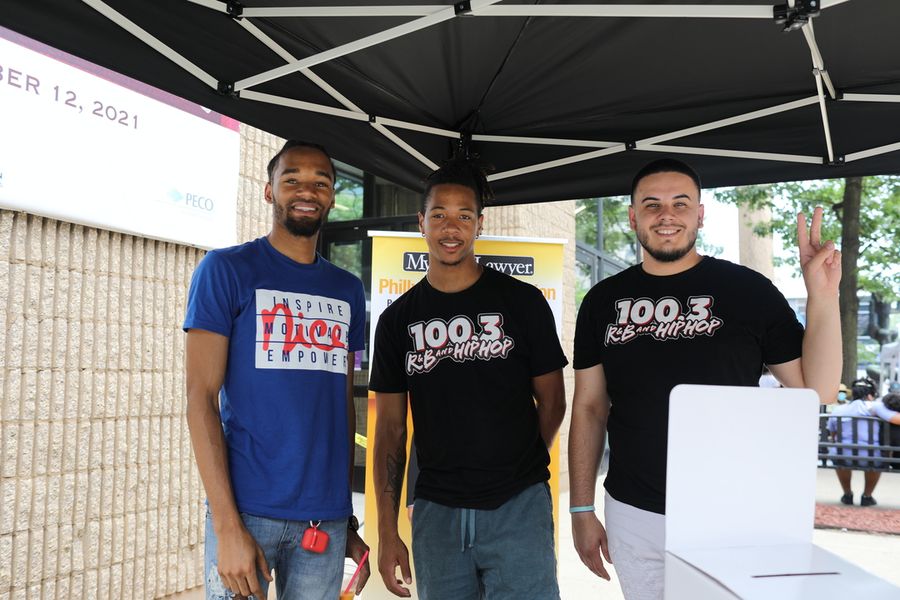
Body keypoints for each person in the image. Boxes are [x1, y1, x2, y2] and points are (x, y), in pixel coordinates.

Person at [568, 158, 842, 600]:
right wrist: (581, 508)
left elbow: (818, 389)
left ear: (700, 214)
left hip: (730, 515)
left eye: (680, 203)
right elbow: (589, 407)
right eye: (652, 205)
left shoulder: (748, 291)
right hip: (633, 511)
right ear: (633, 216)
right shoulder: (602, 301)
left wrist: (823, 296)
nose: (666, 215)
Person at [370, 157, 568, 600]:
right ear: (421, 221)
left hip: (518, 507)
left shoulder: (523, 301)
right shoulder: (397, 321)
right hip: (437, 514)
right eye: (439, 214)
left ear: (479, 224)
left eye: (463, 216)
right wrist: (387, 532)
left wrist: (517, 463)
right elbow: (389, 430)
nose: (450, 227)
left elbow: (553, 401)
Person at [184, 140, 369, 600]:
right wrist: (227, 528)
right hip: (248, 512)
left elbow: (341, 408)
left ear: (331, 196)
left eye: (320, 183)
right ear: (269, 191)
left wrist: (344, 516)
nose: (306, 191)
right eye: (292, 180)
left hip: (323, 523)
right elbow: (199, 400)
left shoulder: (347, 290)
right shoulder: (225, 269)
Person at [827, 379, 900, 506]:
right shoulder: (875, 407)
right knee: (875, 455)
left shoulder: (838, 410)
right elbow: (896, 420)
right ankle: (867, 496)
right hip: (871, 457)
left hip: (842, 456)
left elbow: (833, 434)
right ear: (870, 395)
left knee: (839, 452)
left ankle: (847, 494)